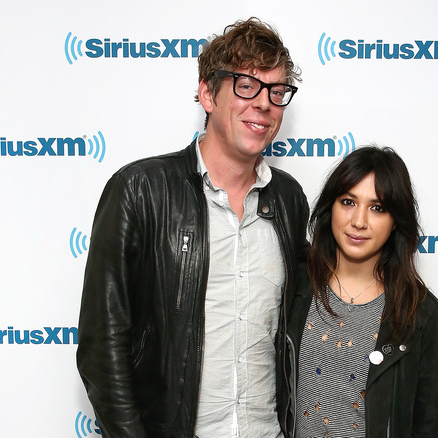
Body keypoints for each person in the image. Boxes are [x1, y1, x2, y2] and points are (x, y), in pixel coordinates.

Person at [76, 18, 308, 438]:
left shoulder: (289, 199)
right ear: (206, 93)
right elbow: (101, 346)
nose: (263, 103)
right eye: (245, 85)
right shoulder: (140, 189)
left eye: (277, 91)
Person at [287, 146, 438, 437]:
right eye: (348, 202)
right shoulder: (294, 286)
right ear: (330, 207)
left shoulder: (418, 312)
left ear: (395, 221)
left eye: (377, 208)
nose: (359, 221)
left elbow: (431, 426)